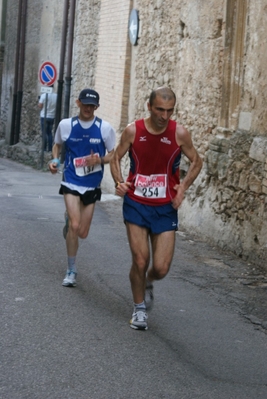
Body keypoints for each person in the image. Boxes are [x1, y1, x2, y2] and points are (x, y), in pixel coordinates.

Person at [110, 87, 202, 331]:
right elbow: (115, 157)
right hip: (136, 203)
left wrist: (183, 187)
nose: (165, 115)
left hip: (165, 207)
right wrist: (119, 183)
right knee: (140, 260)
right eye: (160, 109)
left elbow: (197, 160)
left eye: (170, 110)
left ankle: (148, 281)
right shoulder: (134, 130)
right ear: (149, 107)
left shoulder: (179, 133)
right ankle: (139, 309)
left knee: (160, 268)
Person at [48, 88, 116, 287]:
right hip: (70, 180)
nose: (88, 108)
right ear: (78, 103)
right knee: (75, 227)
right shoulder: (66, 125)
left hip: (91, 184)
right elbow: (57, 145)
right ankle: (71, 270)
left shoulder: (105, 128)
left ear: (97, 107)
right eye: (85, 104)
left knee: (83, 232)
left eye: (92, 105)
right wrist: (54, 160)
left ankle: (70, 220)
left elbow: (114, 154)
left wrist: (100, 159)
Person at [38, 86, 57, 152]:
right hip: (52, 116)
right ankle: (50, 148)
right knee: (49, 133)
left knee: (44, 133)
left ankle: (44, 149)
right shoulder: (56, 96)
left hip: (44, 116)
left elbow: (40, 106)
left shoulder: (43, 95)